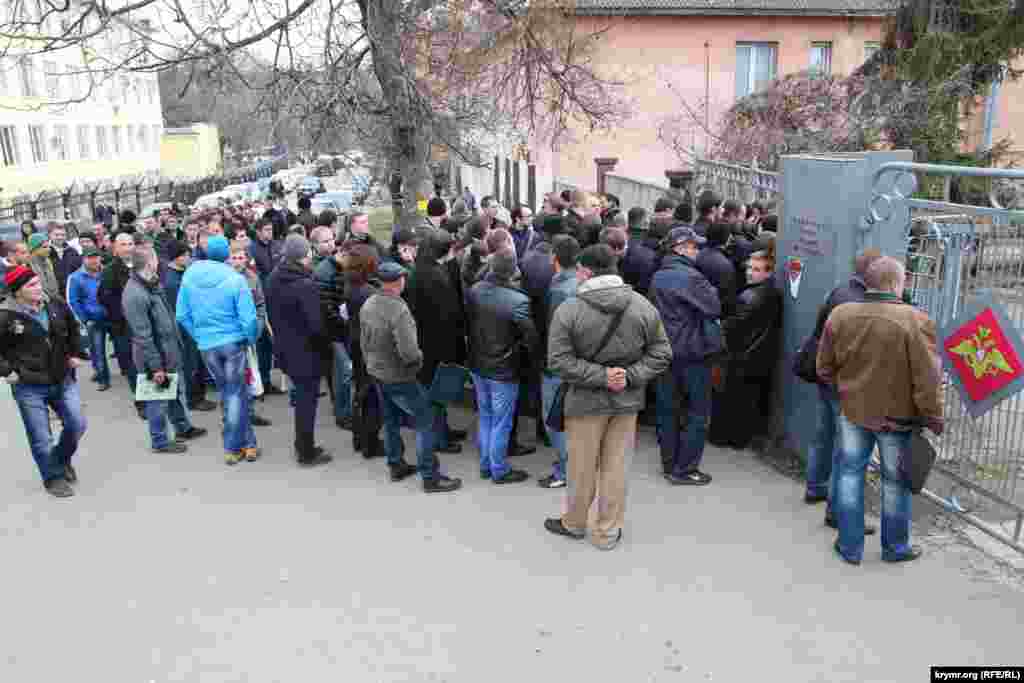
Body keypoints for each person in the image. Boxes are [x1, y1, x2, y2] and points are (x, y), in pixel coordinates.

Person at [817, 256, 943, 565]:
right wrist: (932, 415)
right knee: (894, 481)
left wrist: (846, 389)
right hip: (896, 418)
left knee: (849, 473)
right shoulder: (916, 321)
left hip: (853, 410)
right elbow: (927, 378)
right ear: (898, 284)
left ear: (867, 282)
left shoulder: (841, 314)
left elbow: (824, 367)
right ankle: (895, 548)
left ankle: (849, 546)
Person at [545, 244, 672, 549]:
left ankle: (575, 523)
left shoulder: (569, 309)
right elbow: (662, 353)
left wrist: (601, 376)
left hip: (584, 403)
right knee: (616, 468)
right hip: (627, 402)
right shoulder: (642, 306)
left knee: (581, 467)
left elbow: (558, 361)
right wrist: (629, 376)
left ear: (586, 272)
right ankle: (607, 532)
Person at [361, 261, 462, 493]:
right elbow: (408, 351)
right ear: (399, 282)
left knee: (391, 419)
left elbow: (363, 341)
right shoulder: (399, 310)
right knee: (426, 421)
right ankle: (430, 476)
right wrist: (417, 364)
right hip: (400, 376)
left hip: (377, 372)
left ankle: (396, 464)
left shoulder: (369, 304)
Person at [803, 249, 882, 520]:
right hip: (845, 383)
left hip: (828, 377)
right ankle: (837, 511)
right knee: (846, 450)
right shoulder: (861, 304)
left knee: (823, 435)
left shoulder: (839, 291)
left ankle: (815, 487)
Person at [0, 266, 88, 498]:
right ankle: (53, 477)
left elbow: (73, 328)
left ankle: (60, 459)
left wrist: (77, 353)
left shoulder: (55, 303)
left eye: (38, 282)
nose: (39, 288)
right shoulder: (5, 315)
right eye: (31, 285)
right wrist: (7, 371)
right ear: (17, 292)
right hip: (28, 384)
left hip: (61, 377)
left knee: (77, 423)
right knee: (41, 437)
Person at [176, 235, 261, 466]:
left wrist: (199, 336)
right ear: (226, 255)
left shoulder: (189, 276)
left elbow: (182, 315)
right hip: (233, 343)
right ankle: (235, 447)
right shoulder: (235, 279)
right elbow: (249, 318)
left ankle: (249, 442)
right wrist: (250, 339)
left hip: (207, 345)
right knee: (236, 393)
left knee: (229, 392)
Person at [650, 227, 722, 485]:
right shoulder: (692, 277)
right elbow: (714, 307)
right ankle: (686, 468)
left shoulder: (658, 275)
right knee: (698, 411)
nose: (697, 250)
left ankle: (669, 463)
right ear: (680, 248)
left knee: (667, 410)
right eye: (693, 246)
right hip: (692, 352)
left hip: (663, 351)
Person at [122, 245, 208, 454]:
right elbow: (144, 335)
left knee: (173, 392)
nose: (158, 262)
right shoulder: (135, 293)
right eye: (154, 258)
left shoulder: (150, 283)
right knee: (157, 399)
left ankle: (182, 427)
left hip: (168, 350)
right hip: (155, 356)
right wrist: (156, 366)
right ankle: (159, 440)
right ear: (149, 262)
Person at [466, 248, 537, 484]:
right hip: (503, 369)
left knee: (485, 415)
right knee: (501, 421)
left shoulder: (475, 290)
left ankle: (487, 464)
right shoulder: (519, 301)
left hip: (478, 364)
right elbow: (530, 338)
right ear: (513, 271)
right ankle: (499, 469)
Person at [267, 234, 333, 466]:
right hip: (306, 352)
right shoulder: (305, 284)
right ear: (305, 257)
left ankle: (302, 444)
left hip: (286, 347)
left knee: (302, 400)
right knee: (307, 403)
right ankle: (306, 451)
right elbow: (316, 326)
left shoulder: (275, 277)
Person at [710, 250, 782, 450]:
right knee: (746, 399)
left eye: (756, 269)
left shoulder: (750, 296)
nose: (750, 273)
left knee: (734, 398)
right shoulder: (770, 293)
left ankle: (728, 437)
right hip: (757, 354)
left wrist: (720, 326)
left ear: (768, 273)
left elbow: (736, 324)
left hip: (743, 354)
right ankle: (739, 438)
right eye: (749, 268)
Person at [404, 229, 468, 452]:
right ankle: (440, 438)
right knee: (436, 394)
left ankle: (443, 431)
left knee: (435, 393)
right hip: (436, 345)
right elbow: (449, 314)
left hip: (425, 340)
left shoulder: (423, 269)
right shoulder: (434, 276)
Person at [538, 234, 580, 489]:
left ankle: (565, 470)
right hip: (578, 360)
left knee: (553, 418)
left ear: (554, 256)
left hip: (558, 364)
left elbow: (555, 330)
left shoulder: (559, 290)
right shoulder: (580, 282)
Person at [313, 230, 354, 431]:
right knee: (343, 373)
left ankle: (346, 409)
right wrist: (343, 322)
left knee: (345, 372)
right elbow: (326, 307)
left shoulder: (339, 269)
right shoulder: (324, 272)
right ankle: (343, 414)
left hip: (343, 329)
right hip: (335, 332)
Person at [228, 243, 272, 427]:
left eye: (241, 257)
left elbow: (260, 304)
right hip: (231, 335)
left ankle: (250, 411)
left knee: (250, 374)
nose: (238, 261)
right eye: (234, 257)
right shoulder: (224, 278)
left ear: (246, 259)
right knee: (232, 378)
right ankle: (232, 417)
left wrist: (260, 324)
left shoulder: (253, 278)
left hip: (249, 334)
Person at [98, 232, 140, 410]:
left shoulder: (141, 265)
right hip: (124, 325)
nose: (128, 248)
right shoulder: (109, 271)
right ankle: (142, 401)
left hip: (145, 321)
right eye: (123, 244)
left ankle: (156, 395)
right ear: (115, 248)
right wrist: (124, 312)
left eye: (130, 243)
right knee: (132, 364)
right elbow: (105, 297)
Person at [67, 247, 111, 391]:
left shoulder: (107, 272)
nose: (93, 260)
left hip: (112, 317)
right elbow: (73, 301)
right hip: (93, 320)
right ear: (83, 259)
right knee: (97, 350)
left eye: (96, 257)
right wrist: (85, 319)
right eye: (90, 257)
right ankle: (103, 376)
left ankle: (124, 369)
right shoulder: (75, 277)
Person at [48, 223, 82, 296]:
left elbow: (79, 271)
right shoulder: (46, 252)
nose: (60, 237)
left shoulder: (73, 251)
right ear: (50, 235)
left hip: (72, 291)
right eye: (56, 235)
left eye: (63, 235)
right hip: (54, 294)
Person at [27, 233, 61, 301]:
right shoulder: (29, 266)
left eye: (49, 247)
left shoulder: (47, 261)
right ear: (34, 249)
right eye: (44, 247)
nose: (49, 249)